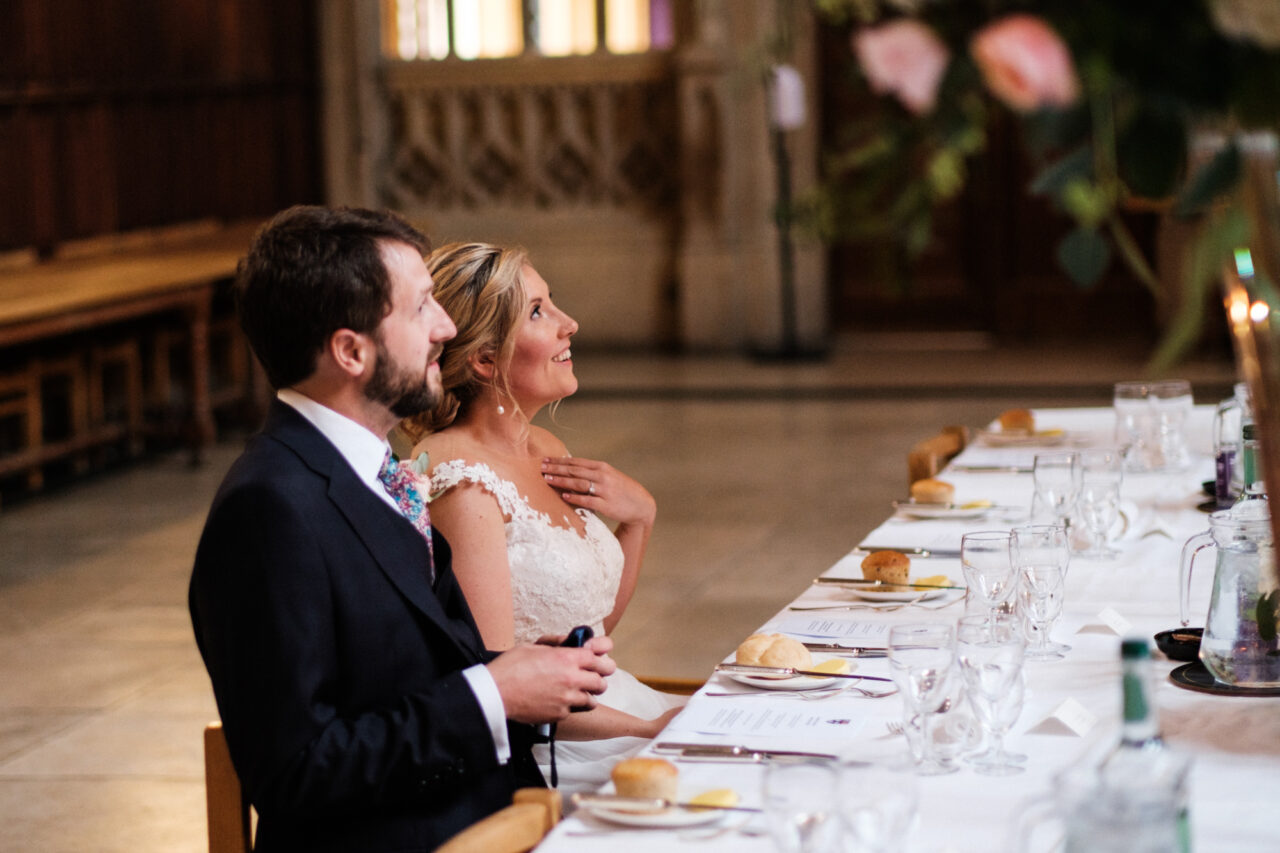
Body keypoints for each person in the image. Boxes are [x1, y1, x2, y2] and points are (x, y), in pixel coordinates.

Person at [188, 206, 616, 852]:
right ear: (350, 351)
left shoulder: (373, 469)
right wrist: (492, 695)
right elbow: (297, 772)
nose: (446, 327)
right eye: (421, 310)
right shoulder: (268, 509)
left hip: (494, 813)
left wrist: (528, 673)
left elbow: (406, 674)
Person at [398, 242, 685, 794]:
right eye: (538, 312)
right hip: (551, 753)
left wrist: (639, 519)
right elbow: (503, 687)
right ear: (484, 360)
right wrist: (648, 730)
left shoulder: (543, 446)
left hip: (608, 706)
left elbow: (592, 628)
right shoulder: (461, 481)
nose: (568, 323)